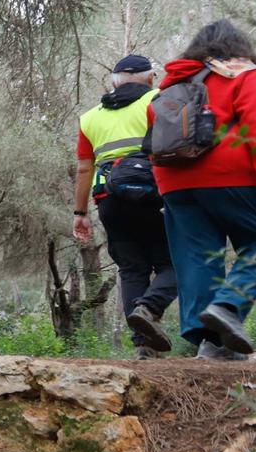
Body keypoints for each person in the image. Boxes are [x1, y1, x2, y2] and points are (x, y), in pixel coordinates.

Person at [148, 20, 256, 360]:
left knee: (198, 258)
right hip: (231, 176)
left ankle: (212, 344)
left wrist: (165, 185)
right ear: (239, 46)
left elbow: (155, 135)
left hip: (175, 181)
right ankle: (228, 307)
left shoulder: (173, 82)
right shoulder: (242, 72)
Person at [72, 54, 179, 357]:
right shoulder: (158, 100)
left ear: (114, 83)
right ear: (150, 78)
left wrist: (80, 214)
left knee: (132, 268)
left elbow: (83, 169)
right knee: (177, 263)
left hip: (109, 200)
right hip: (154, 196)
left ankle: (144, 347)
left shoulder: (90, 117)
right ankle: (149, 308)